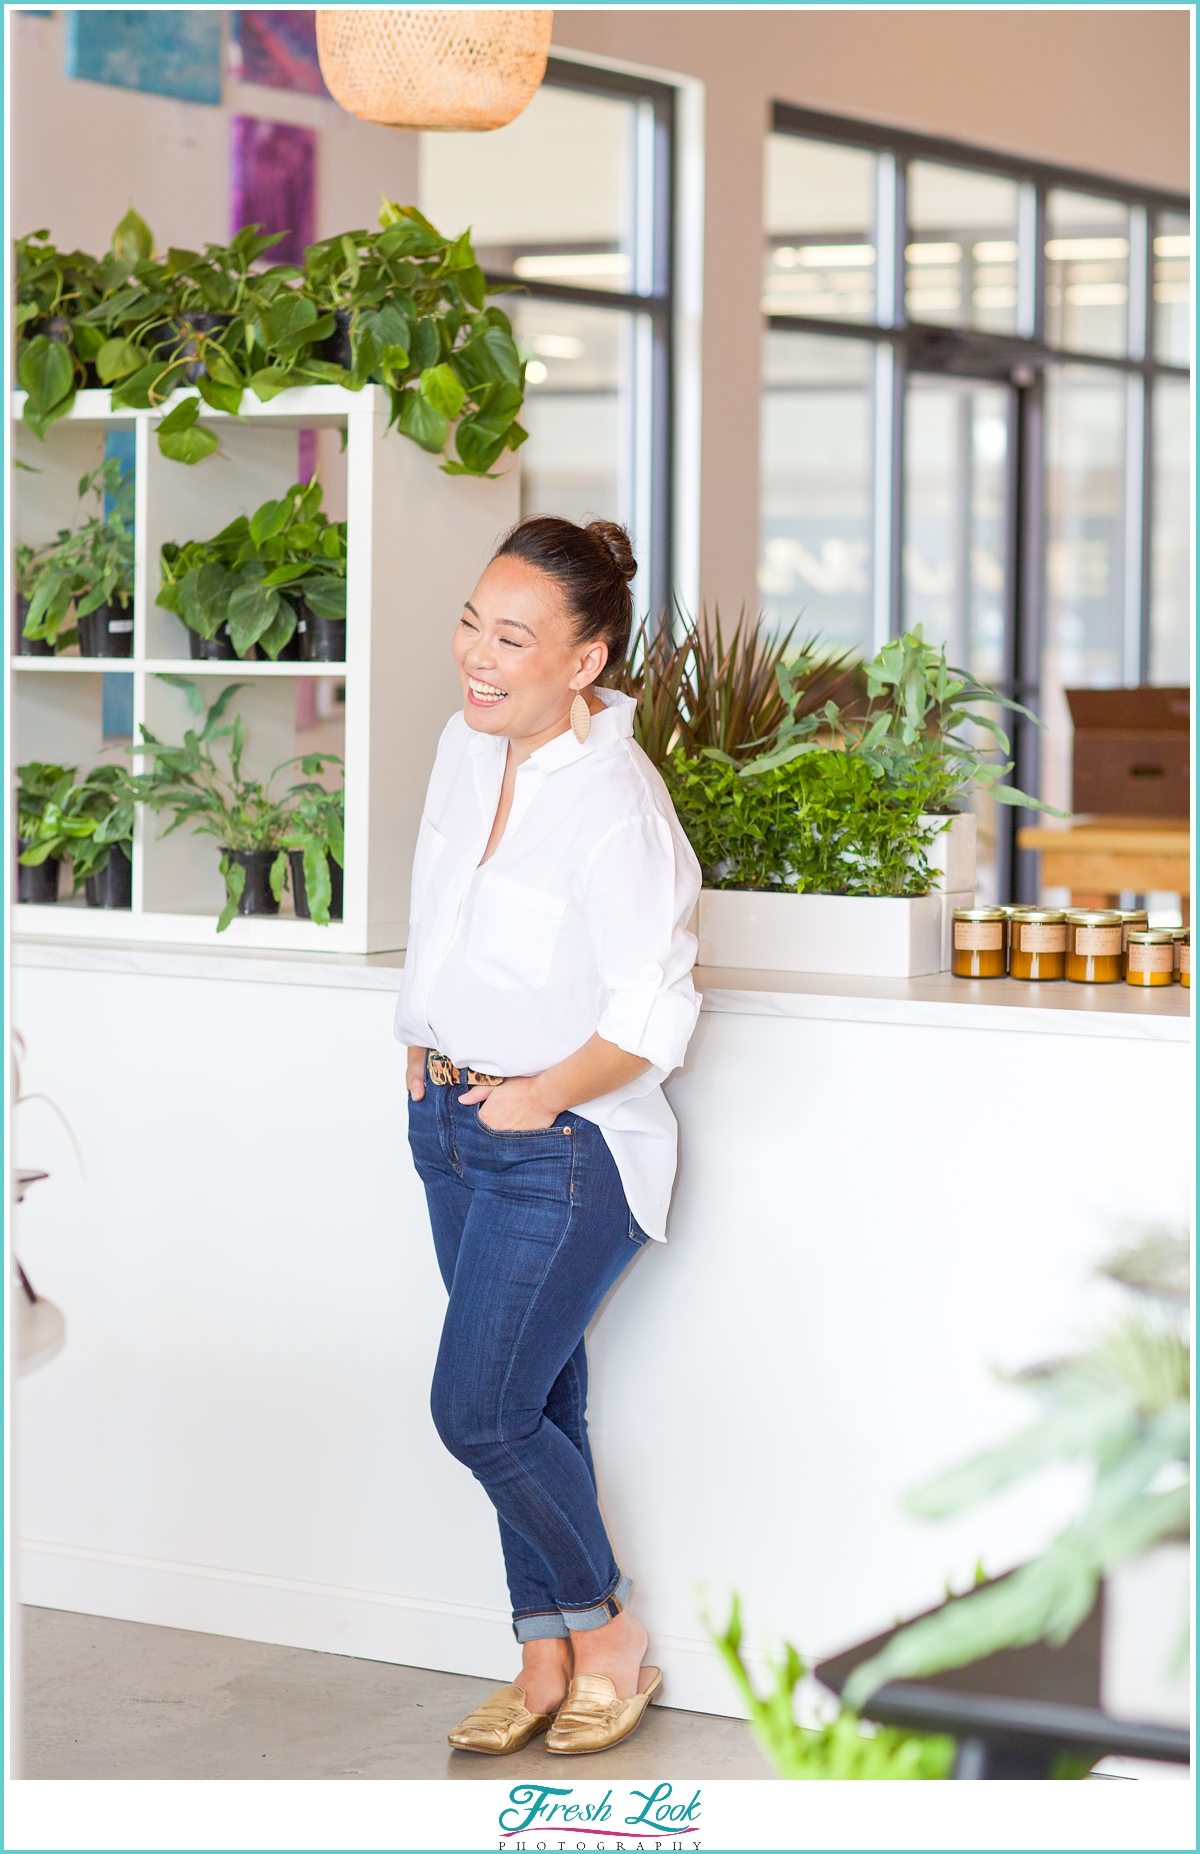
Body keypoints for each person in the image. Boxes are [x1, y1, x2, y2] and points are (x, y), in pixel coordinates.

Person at [395, 515, 701, 1757]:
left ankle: (608, 1635)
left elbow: (659, 1007)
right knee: (541, 1405)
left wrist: (540, 1093)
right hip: (448, 1125)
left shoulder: (619, 804)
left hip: (563, 1149)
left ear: (585, 660)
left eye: (512, 637)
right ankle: (541, 1654)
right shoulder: (461, 751)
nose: (476, 653)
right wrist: (421, 1042)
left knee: (479, 1411)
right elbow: (443, 919)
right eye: (473, 620)